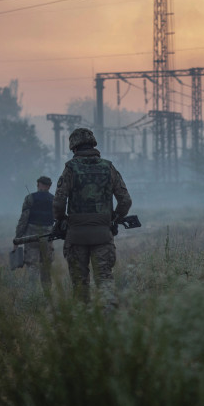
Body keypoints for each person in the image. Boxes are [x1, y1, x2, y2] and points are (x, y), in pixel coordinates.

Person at [53, 128, 132, 305]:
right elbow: (125, 200)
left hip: (76, 237)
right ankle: (110, 324)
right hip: (103, 236)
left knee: (80, 287)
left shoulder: (70, 169)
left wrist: (61, 220)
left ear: (73, 147)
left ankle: (83, 324)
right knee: (105, 281)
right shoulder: (108, 167)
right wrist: (115, 218)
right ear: (93, 144)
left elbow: (58, 202)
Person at [15, 176, 55, 295]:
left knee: (32, 266)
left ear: (38, 184)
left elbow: (23, 220)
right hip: (47, 237)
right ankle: (47, 295)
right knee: (46, 267)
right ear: (49, 186)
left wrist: (17, 239)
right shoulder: (54, 199)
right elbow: (57, 219)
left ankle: (32, 295)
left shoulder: (30, 198)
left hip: (31, 237)